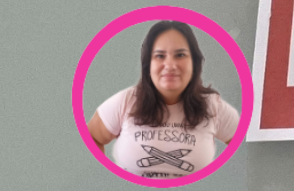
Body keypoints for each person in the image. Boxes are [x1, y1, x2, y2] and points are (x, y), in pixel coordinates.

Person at [87, 20, 239, 178]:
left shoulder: (213, 106)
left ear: (194, 63)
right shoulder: (125, 101)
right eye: (160, 56)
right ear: (148, 64)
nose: (170, 65)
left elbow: (245, 147)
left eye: (180, 55)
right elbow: (90, 138)